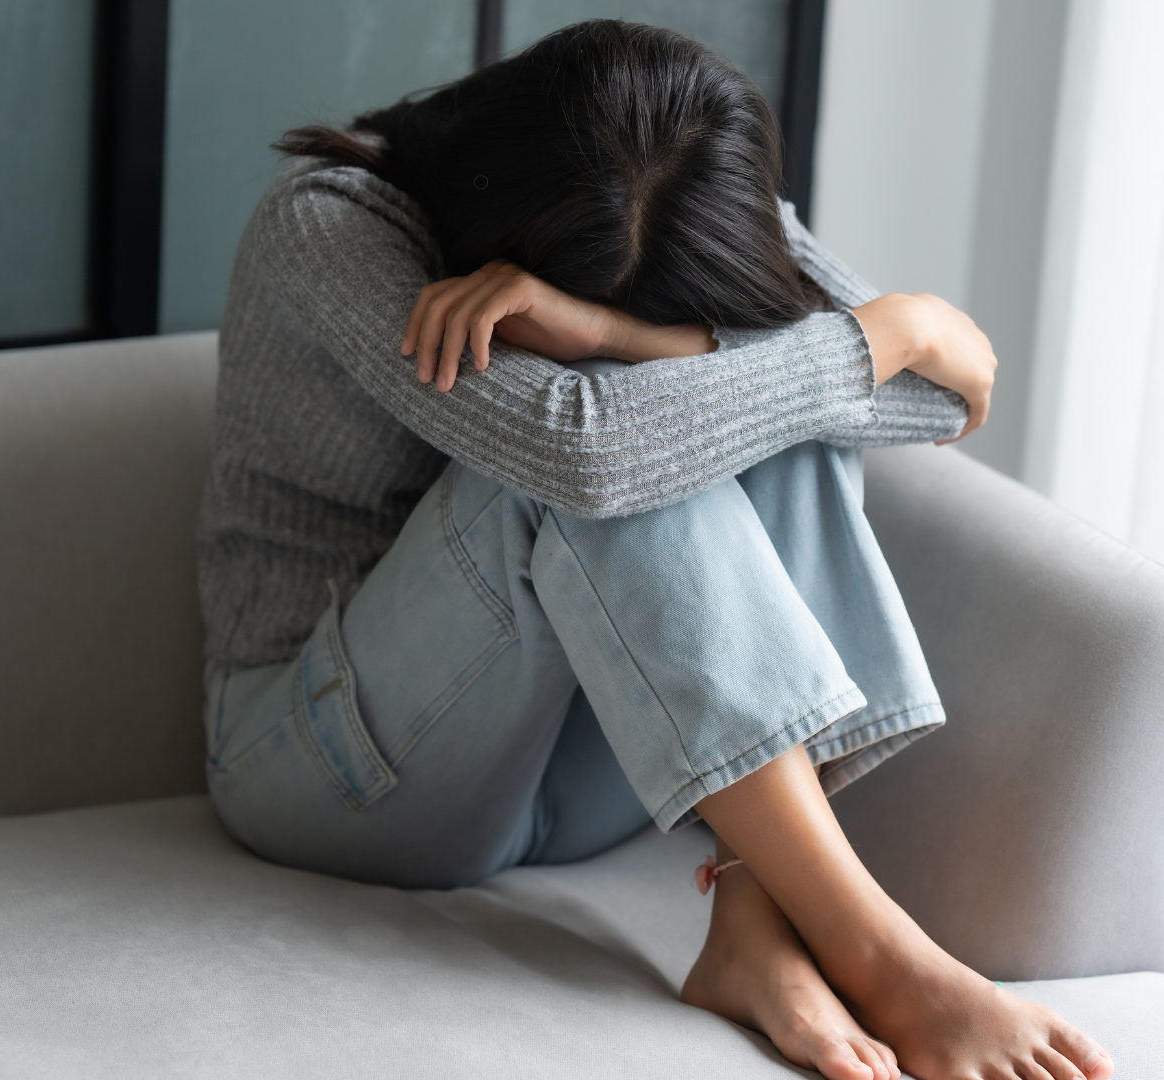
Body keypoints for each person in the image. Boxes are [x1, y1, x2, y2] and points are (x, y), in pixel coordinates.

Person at [197, 19, 1114, 1080]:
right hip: (328, 768)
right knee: (634, 436)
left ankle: (756, 927)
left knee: (766, 410)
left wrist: (618, 337)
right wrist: (883, 328)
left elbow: (937, 399)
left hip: (588, 765)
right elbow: (583, 456)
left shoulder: (694, 192)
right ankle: (879, 950)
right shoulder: (329, 229)